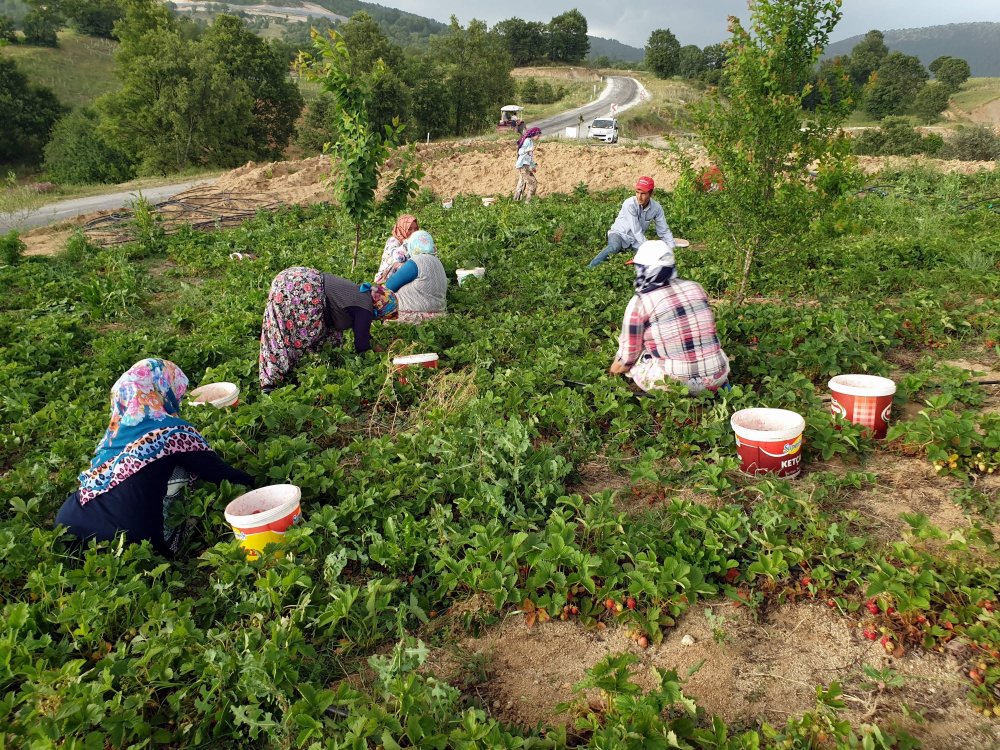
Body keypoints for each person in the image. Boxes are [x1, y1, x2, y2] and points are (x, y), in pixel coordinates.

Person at [54, 358, 254, 557]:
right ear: (161, 390)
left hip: (68, 529)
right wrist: (257, 481)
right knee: (185, 465)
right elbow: (219, 473)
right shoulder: (173, 432)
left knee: (160, 466)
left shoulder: (113, 437)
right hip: (130, 543)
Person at [609, 240, 729, 394]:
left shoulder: (640, 303)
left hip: (676, 385)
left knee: (638, 359)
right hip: (717, 376)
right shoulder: (696, 287)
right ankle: (717, 390)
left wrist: (612, 373)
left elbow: (627, 358)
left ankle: (674, 395)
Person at [259, 267, 397, 391]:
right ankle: (271, 384)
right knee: (289, 333)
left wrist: (376, 345)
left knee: (279, 329)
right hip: (303, 291)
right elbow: (362, 345)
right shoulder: (365, 308)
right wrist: (381, 360)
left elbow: (363, 333)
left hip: (295, 278)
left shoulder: (362, 294)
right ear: (382, 308)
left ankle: (285, 374)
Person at [588, 176, 675, 268]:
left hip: (635, 241)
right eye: (637, 192)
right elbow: (636, 230)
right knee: (614, 247)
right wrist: (649, 247)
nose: (639, 197)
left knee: (651, 258)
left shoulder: (656, 208)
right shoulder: (629, 204)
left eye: (643, 193)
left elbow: (663, 230)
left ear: (651, 193)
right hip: (619, 234)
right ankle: (590, 267)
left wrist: (672, 248)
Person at [383, 230, 447, 324]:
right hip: (439, 316)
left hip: (414, 316)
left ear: (412, 245)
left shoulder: (415, 262)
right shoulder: (438, 262)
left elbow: (390, 285)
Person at [374, 214, 419, 285]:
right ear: (401, 228)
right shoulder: (393, 241)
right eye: (409, 229)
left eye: (416, 229)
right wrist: (409, 242)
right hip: (385, 278)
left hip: (400, 277)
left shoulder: (414, 243)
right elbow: (399, 257)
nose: (413, 232)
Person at [513, 127, 541, 203]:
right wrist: (528, 149)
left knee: (521, 183)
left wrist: (533, 166)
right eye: (538, 135)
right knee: (533, 183)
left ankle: (516, 201)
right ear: (533, 134)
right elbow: (520, 151)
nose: (539, 137)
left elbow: (529, 157)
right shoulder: (527, 141)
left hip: (525, 165)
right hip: (523, 166)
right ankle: (528, 202)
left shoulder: (531, 142)